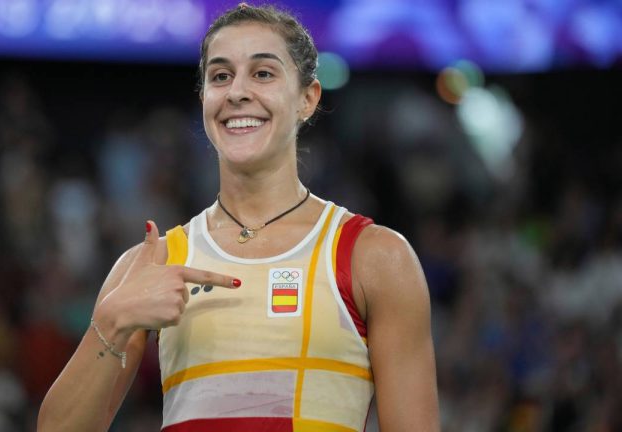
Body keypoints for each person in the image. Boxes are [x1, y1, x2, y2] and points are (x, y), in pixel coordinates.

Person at [38, 3, 439, 431]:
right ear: (204, 99)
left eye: (263, 73)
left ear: (308, 98)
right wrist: (113, 322)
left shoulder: (373, 257)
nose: (237, 92)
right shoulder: (151, 263)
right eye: (220, 76)